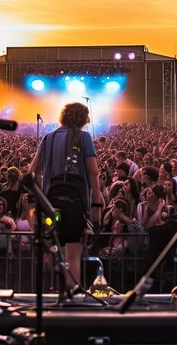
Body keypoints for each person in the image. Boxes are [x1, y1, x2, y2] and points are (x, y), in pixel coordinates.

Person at [29, 102, 103, 293]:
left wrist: (42, 195)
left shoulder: (47, 138)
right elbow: (93, 172)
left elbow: (31, 173)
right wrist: (96, 200)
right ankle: (73, 298)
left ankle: (51, 290)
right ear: (83, 119)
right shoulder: (84, 137)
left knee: (52, 249)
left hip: (50, 205)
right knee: (73, 256)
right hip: (75, 206)